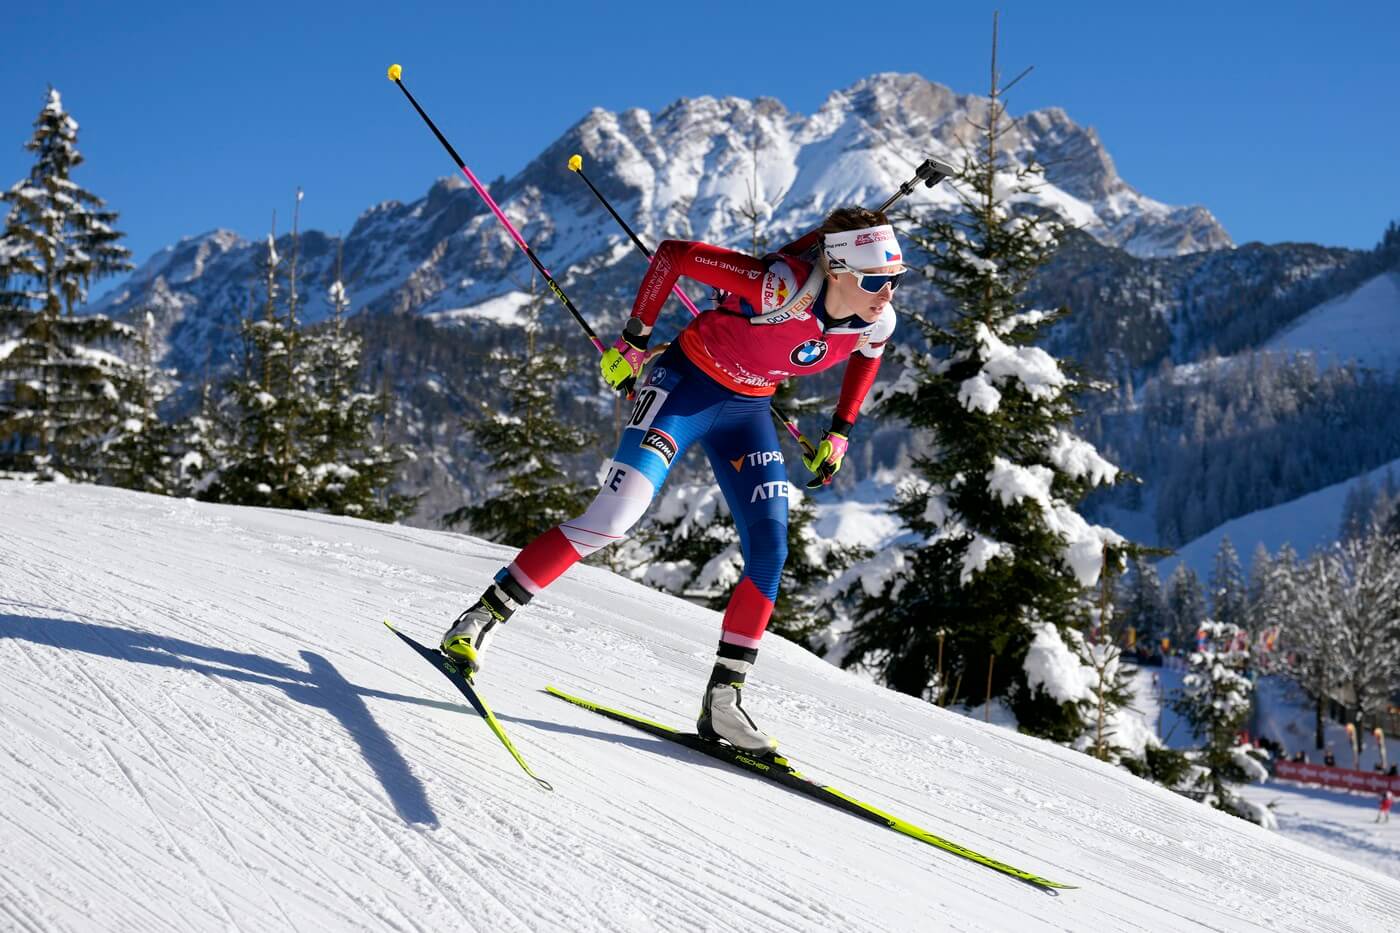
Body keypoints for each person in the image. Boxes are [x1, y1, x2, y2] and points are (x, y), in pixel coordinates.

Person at [439, 207, 905, 754]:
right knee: (613, 518)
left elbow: (867, 358)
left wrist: (842, 431)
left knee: (771, 550)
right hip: (684, 390)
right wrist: (634, 341)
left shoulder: (878, 319)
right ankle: (478, 620)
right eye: (875, 280)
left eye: (895, 280)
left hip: (748, 413)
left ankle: (723, 704)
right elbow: (675, 255)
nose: (886, 293)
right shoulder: (778, 288)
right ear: (839, 268)